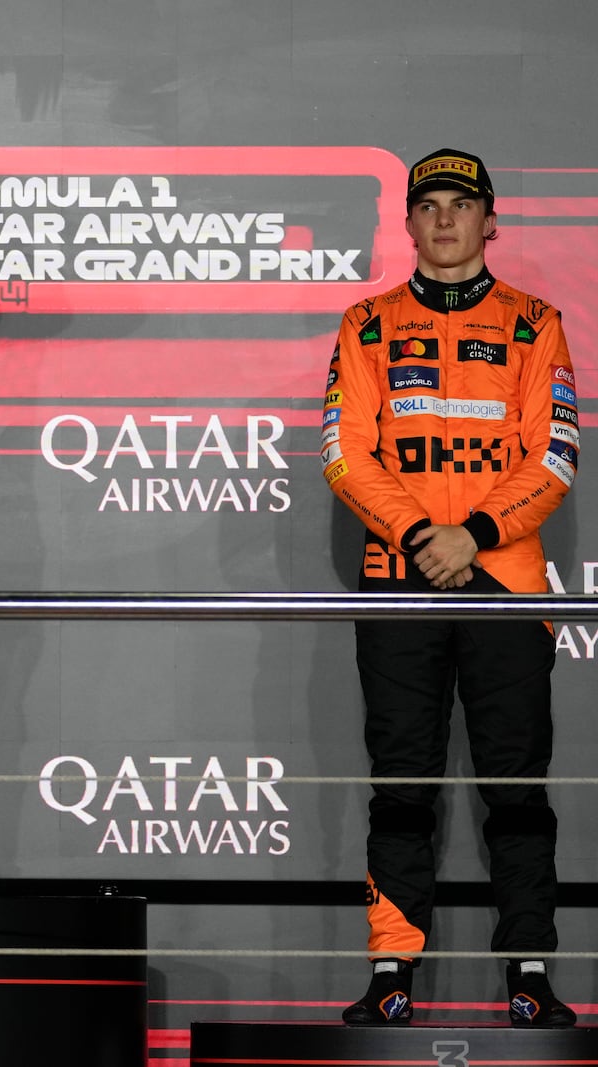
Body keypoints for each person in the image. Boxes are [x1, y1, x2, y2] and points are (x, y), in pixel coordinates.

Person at [321, 148, 577, 1027]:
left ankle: (532, 973)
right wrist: (425, 536)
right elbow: (345, 453)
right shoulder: (364, 325)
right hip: (400, 580)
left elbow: (557, 455)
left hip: (508, 583)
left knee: (518, 787)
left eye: (460, 205)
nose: (443, 219)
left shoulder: (536, 323)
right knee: (400, 783)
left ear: (490, 220)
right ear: (407, 222)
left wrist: (473, 535)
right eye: (427, 204)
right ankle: (390, 972)